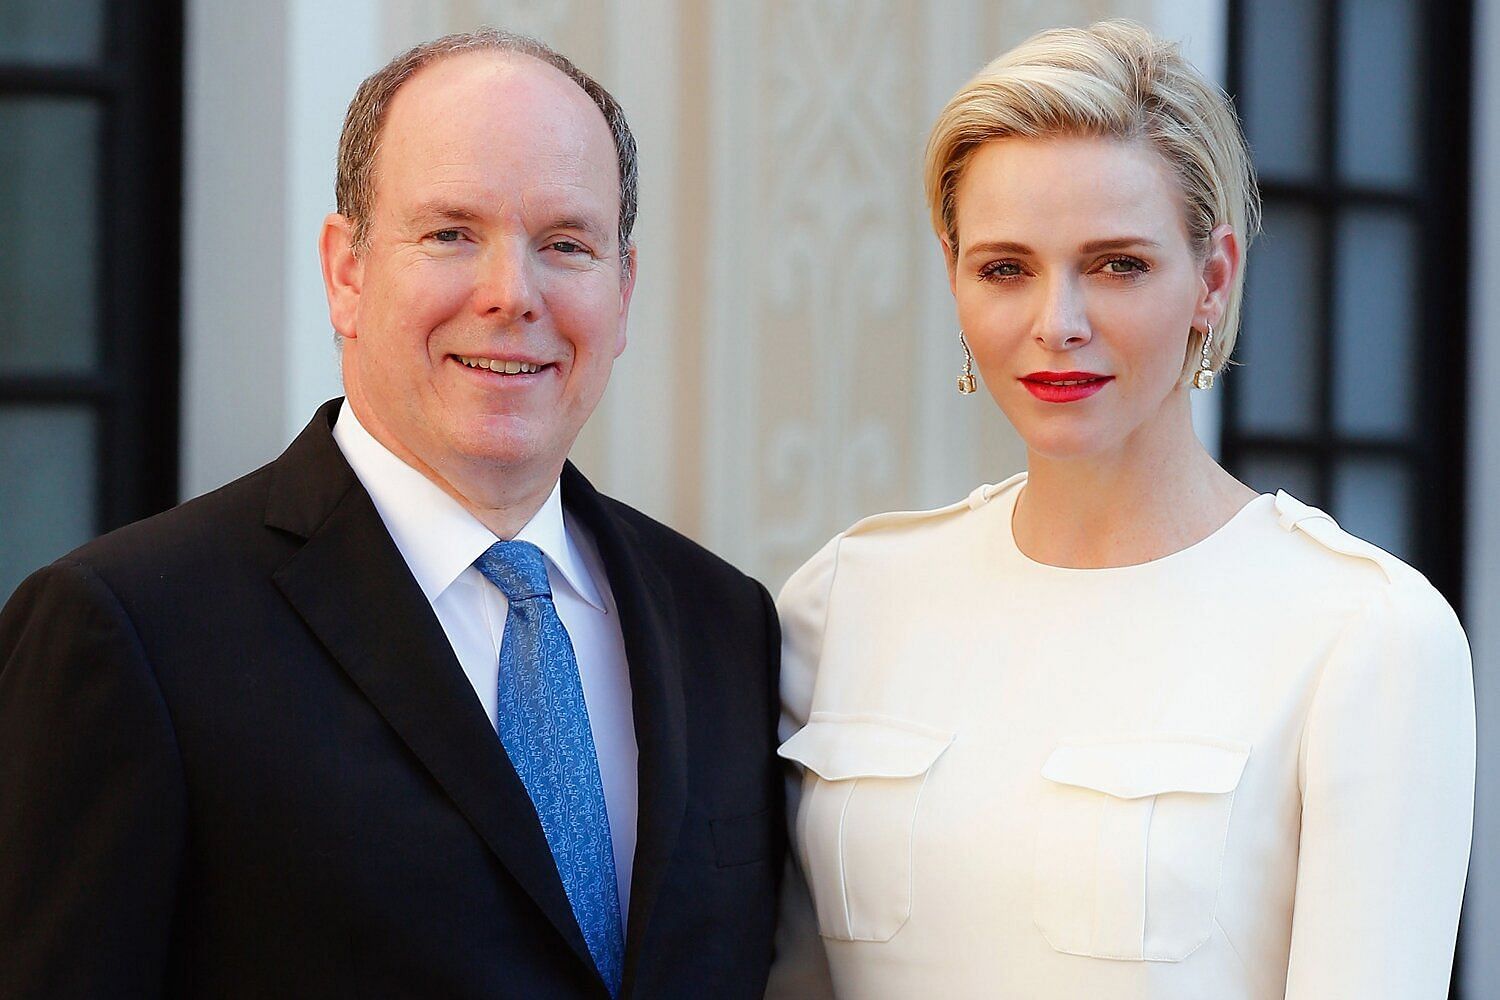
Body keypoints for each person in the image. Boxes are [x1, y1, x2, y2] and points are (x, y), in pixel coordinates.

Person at [0, 30, 783, 999]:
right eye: (451, 233)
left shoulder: (725, 623)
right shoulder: (131, 631)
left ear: (622, 292)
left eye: (566, 245)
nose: (511, 295)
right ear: (347, 272)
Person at [769, 19, 1474, 1000]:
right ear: (954, 272)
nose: (1057, 324)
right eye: (1006, 267)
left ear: (1213, 279)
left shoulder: (1366, 636)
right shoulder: (842, 602)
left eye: (1117, 265)